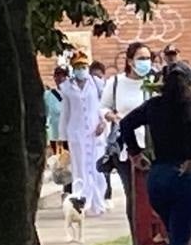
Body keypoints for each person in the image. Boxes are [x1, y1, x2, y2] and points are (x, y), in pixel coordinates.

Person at [118, 62, 191, 245]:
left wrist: (135, 153)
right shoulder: (188, 105)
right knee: (180, 238)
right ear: (189, 83)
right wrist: (190, 157)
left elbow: (125, 125)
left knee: (172, 234)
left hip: (157, 175)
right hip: (184, 175)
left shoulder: (154, 105)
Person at [101, 42, 153, 226]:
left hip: (151, 145)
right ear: (130, 61)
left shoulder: (154, 83)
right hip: (125, 148)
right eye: (141, 59)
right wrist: (111, 116)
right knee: (133, 193)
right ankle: (138, 236)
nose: (145, 63)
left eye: (148, 58)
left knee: (153, 191)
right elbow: (103, 107)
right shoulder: (115, 83)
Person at [59, 51, 108, 217]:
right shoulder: (66, 88)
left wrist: (103, 122)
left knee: (96, 168)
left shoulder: (96, 83)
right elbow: (65, 113)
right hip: (76, 132)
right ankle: (81, 201)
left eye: (84, 67)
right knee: (80, 168)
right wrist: (62, 138)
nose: (81, 70)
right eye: (78, 67)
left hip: (95, 131)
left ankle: (98, 201)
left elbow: (103, 105)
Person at [45, 66, 68, 156]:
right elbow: (46, 111)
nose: (59, 78)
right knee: (55, 156)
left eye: (62, 76)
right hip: (54, 130)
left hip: (68, 130)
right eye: (57, 76)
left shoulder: (72, 93)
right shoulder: (48, 95)